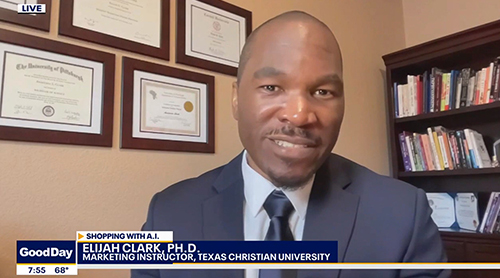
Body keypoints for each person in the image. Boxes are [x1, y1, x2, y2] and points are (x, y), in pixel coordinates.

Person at [131, 11, 450, 278]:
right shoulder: (168, 214)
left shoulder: (402, 214)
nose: (298, 116)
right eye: (271, 87)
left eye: (323, 92)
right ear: (235, 99)